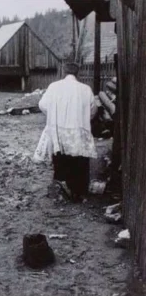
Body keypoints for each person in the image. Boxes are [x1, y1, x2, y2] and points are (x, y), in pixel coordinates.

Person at [34, 62, 98, 202]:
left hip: (59, 130)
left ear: (63, 73)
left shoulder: (54, 87)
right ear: (78, 73)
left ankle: (60, 192)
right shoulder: (86, 89)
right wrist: (83, 119)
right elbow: (93, 109)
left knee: (61, 159)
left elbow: (42, 105)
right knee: (80, 161)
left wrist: (53, 115)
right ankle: (79, 193)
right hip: (79, 130)